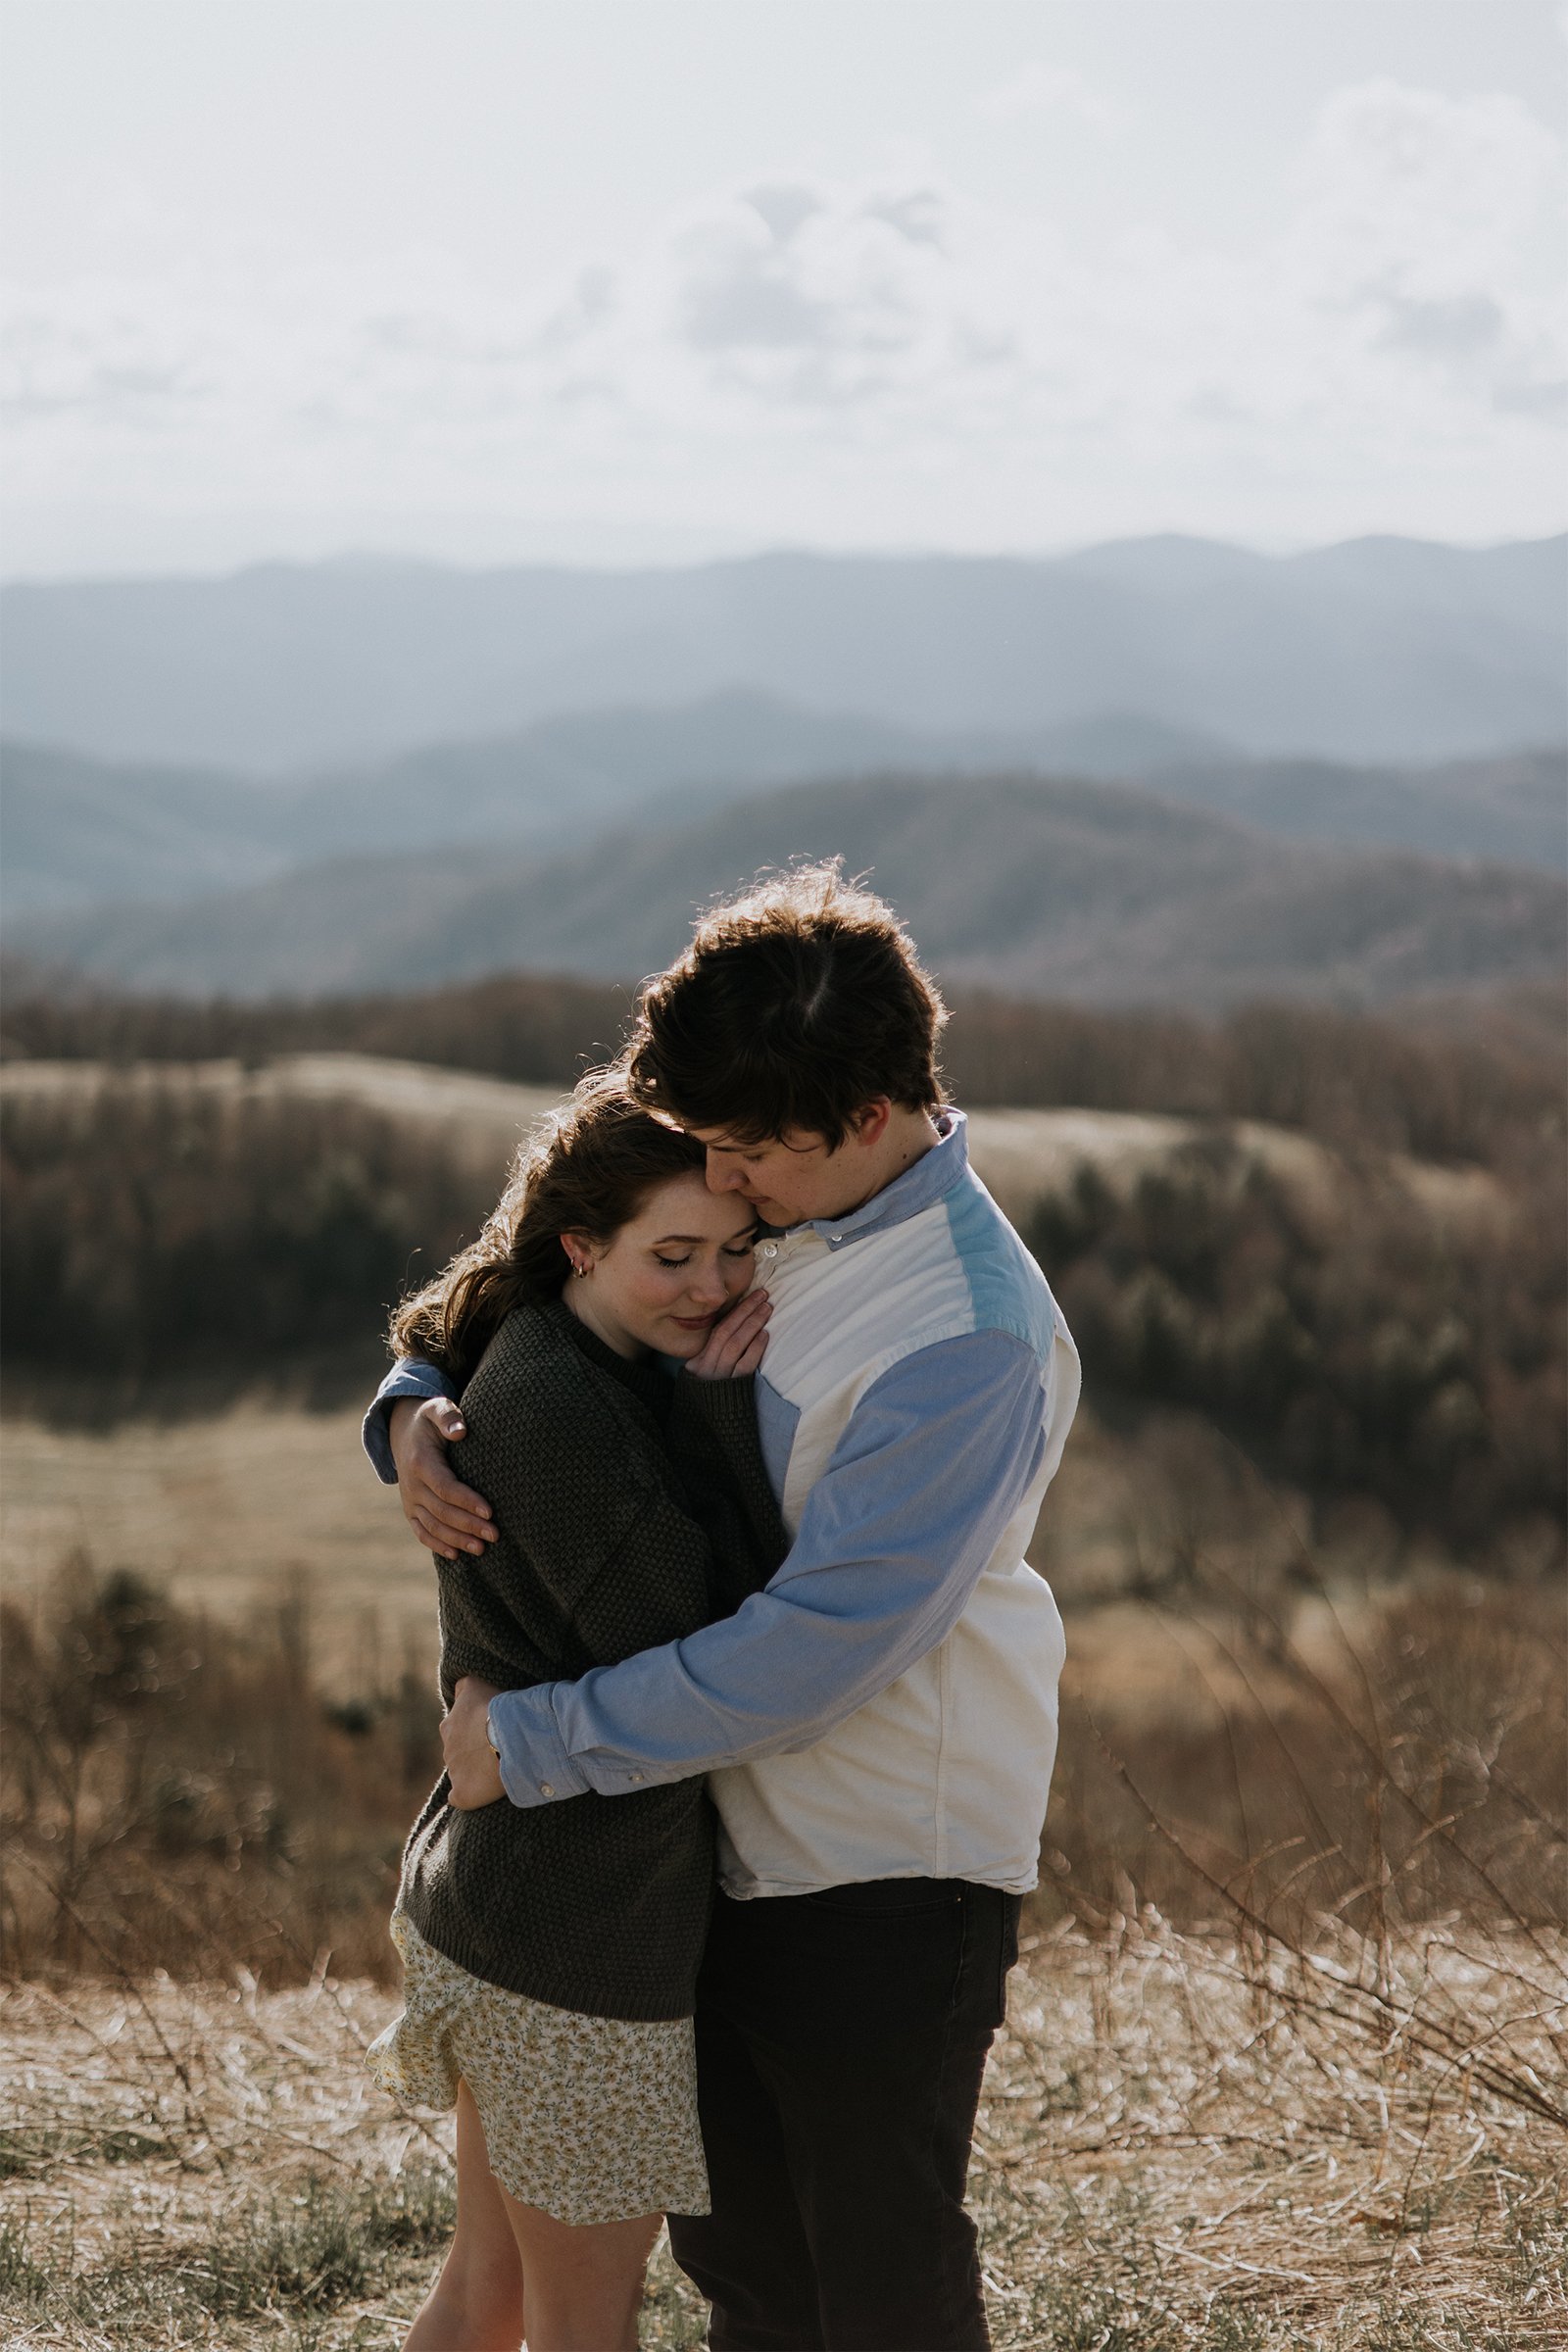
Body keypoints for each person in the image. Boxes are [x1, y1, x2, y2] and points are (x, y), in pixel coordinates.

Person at [369, 864, 1081, 2352]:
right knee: (752, 2280)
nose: (728, 1186)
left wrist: (536, 1740)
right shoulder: (774, 1215)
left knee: (875, 2290)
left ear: (869, 1121)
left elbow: (809, 1654)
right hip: (703, 1851)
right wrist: (415, 1404)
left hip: (880, 1869)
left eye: (752, 1155)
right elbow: (566, 1287)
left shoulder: (966, 1337)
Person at [364, 1072, 786, 2352]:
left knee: (486, 2300)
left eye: (732, 1251)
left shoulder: (571, 1349)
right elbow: (712, 1651)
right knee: (579, 2331)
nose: (711, 1288)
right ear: (579, 1246)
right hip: (574, 1948)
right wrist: (722, 1413)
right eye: (673, 1255)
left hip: (513, 1906)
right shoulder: (559, 1415)